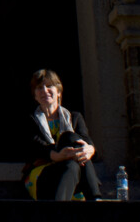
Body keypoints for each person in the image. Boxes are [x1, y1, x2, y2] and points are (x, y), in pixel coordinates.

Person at [23, 69, 101, 201]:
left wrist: (89, 150)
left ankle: (58, 212)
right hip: (43, 172)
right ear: (35, 95)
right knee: (68, 138)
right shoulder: (30, 120)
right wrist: (57, 156)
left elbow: (86, 140)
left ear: (58, 92)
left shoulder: (75, 117)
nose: (44, 91)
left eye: (49, 86)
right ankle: (95, 197)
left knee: (71, 157)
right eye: (39, 87)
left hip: (73, 170)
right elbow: (35, 148)